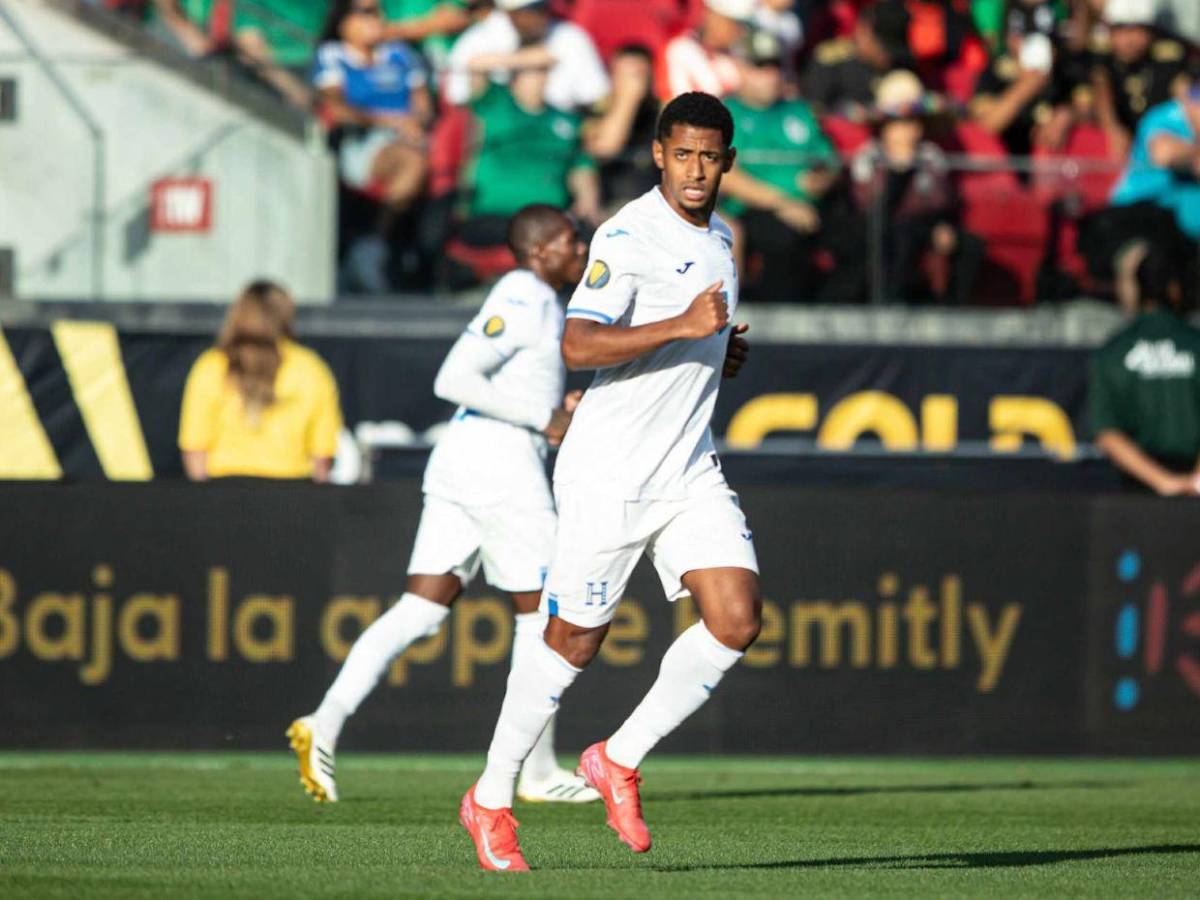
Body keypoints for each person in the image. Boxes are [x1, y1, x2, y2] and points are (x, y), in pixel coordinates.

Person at [459, 92, 759, 872]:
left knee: (735, 619)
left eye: (709, 156)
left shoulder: (722, 237)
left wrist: (712, 352)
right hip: (608, 471)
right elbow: (581, 344)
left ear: (728, 162)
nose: (696, 170)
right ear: (659, 154)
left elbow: (683, 337)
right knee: (573, 644)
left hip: (688, 468)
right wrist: (682, 329)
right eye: (682, 154)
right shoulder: (627, 235)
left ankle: (617, 758)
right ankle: (490, 798)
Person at [288, 205, 600, 805]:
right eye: (568, 240)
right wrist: (543, 416)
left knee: (420, 610)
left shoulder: (535, 300)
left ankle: (323, 721)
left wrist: (555, 411)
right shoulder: (525, 294)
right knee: (544, 615)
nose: (579, 249)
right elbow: (454, 378)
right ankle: (534, 772)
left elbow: (500, 386)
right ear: (538, 251)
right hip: (498, 464)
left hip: (467, 458)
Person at [721, 29, 864, 302]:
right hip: (754, 208)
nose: (771, 75)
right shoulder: (726, 113)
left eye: (775, 65)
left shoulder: (797, 110)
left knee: (862, 240)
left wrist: (821, 178)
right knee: (781, 241)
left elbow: (827, 159)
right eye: (760, 66)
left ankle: (828, 317)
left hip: (811, 207)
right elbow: (725, 176)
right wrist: (782, 203)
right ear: (740, 69)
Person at [313, 0, 434, 291]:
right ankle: (374, 244)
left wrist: (414, 122)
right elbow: (337, 107)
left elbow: (423, 107)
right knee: (413, 164)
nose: (376, 19)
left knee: (420, 159)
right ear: (344, 21)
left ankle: (377, 247)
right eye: (365, 12)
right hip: (361, 141)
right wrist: (390, 121)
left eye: (379, 11)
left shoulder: (401, 55)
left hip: (406, 138)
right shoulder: (333, 55)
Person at [178, 281, 342, 481]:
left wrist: (205, 500)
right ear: (286, 314)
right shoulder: (310, 369)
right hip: (293, 495)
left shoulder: (211, 366)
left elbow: (194, 448)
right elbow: (322, 456)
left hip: (223, 493)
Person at [851, 69, 983, 304]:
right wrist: (899, 171)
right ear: (885, 127)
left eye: (913, 122)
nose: (910, 130)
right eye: (900, 123)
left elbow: (944, 201)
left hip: (924, 226)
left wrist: (945, 226)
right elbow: (868, 206)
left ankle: (950, 309)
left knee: (970, 245)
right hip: (881, 229)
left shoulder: (931, 157)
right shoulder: (869, 158)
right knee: (897, 238)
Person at [1091, 245, 1200, 496]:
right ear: (1176, 289)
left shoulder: (1113, 350)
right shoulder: (1194, 344)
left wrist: (1164, 482)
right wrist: (1193, 480)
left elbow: (1106, 432)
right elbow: (1107, 432)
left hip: (1138, 497)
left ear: (1137, 289)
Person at [1080, 84, 1200, 311]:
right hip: (1139, 214)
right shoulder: (1168, 115)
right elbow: (1163, 154)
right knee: (1145, 264)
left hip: (1183, 233)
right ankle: (1140, 334)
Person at [456, 66, 601, 247]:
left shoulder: (566, 120)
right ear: (514, 81)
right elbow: (475, 65)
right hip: (495, 214)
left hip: (550, 217)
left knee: (590, 241)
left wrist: (587, 199)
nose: (540, 79)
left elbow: (580, 164)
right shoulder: (494, 106)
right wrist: (532, 57)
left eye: (543, 72)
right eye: (531, 72)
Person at [443, 0, 610, 112]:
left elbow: (595, 96)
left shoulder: (570, 37)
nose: (542, 15)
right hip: (498, 140)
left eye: (543, 7)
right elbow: (459, 98)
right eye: (532, 10)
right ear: (510, 14)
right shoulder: (477, 40)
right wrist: (526, 60)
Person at [1092, 0, 1199, 162]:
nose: (1129, 40)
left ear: (1152, 32)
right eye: (1121, 30)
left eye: (1137, 29)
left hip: (1163, 140)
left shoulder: (1171, 56)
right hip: (1125, 151)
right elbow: (1100, 86)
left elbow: (1187, 93)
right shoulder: (1102, 59)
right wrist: (1112, 128)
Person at [802, 1, 910, 120]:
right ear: (864, 32)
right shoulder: (832, 63)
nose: (888, 58)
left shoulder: (902, 61)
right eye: (884, 49)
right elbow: (815, 111)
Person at [660, 0, 753, 100]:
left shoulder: (737, 54)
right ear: (712, 16)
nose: (740, 31)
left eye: (743, 26)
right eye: (734, 23)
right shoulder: (681, 50)